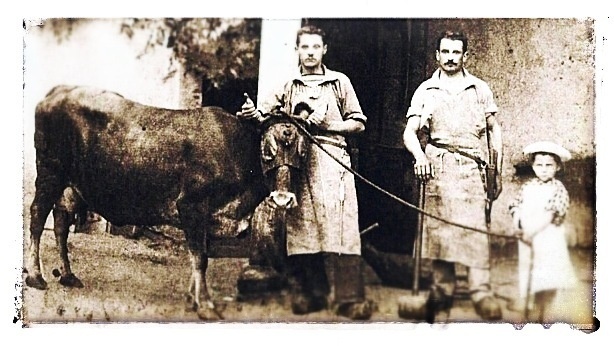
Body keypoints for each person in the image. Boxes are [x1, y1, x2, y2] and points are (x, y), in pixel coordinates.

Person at [237, 25, 372, 320]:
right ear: (297, 50)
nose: (310, 52)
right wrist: (252, 114)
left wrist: (327, 127)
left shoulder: (339, 82)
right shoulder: (287, 84)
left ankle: (349, 298)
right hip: (298, 163)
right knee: (302, 228)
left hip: (332, 157)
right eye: (304, 47)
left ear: (324, 49)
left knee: (341, 227)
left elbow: (358, 123)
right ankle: (312, 293)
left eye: (315, 47)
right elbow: (267, 118)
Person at [402, 30, 504, 320]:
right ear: (437, 55)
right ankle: (442, 290)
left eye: (455, 52)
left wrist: (497, 166)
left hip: (472, 166)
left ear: (465, 56)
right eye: (445, 52)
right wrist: (420, 156)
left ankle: (481, 292)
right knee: (439, 231)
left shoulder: (479, 89)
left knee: (475, 230)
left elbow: (494, 128)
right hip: (438, 166)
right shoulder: (426, 90)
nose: (450, 58)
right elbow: (410, 132)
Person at [508, 141, 578, 323]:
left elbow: (550, 214)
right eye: (539, 165)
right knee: (531, 275)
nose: (544, 169)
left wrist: (530, 232)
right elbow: (516, 206)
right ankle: (531, 313)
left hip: (549, 239)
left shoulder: (558, 189)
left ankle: (546, 315)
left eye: (549, 165)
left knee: (548, 276)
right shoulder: (527, 187)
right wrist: (518, 225)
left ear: (557, 167)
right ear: (533, 166)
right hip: (527, 240)